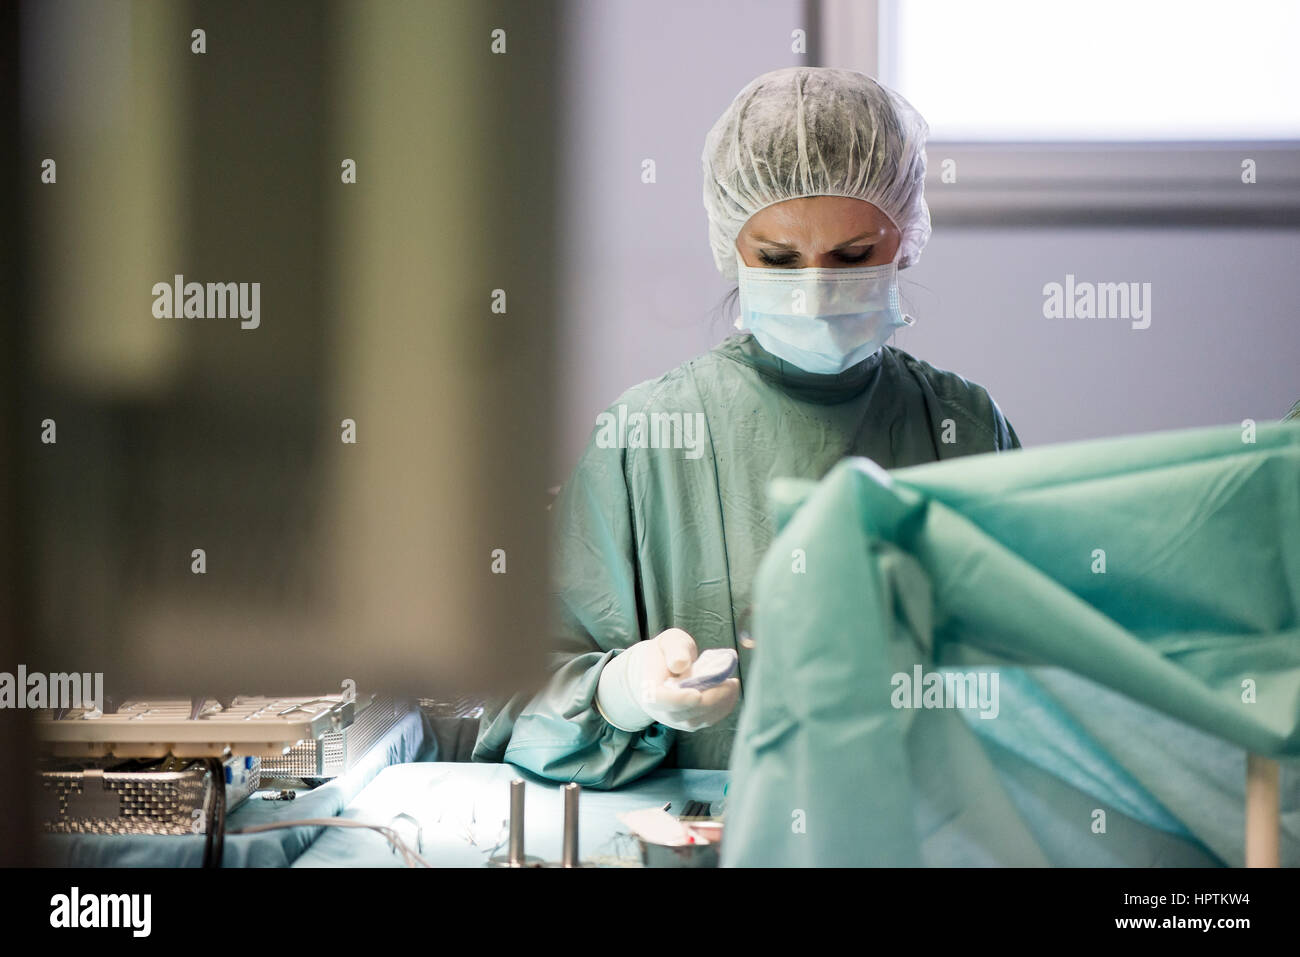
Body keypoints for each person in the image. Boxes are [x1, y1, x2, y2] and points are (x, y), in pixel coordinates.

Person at [472, 67, 1021, 787]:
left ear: (907, 239)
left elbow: (1035, 683)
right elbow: (519, 705)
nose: (818, 291)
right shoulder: (646, 440)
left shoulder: (965, 430)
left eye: (853, 257)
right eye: (779, 260)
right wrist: (624, 691)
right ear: (732, 245)